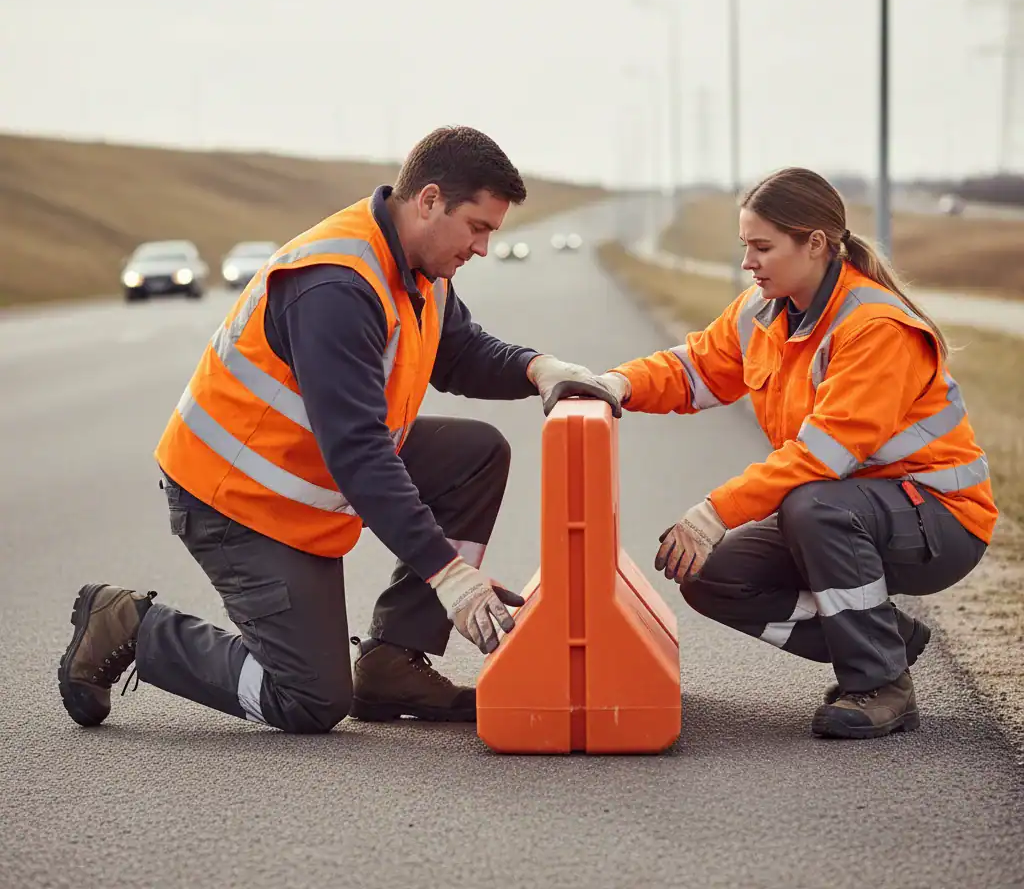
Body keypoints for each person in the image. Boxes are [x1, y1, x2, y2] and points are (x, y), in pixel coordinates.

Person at [57, 125, 619, 734]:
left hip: (306, 476)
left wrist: (540, 369)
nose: (482, 247)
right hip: (237, 500)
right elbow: (357, 452)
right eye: (478, 228)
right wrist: (449, 575)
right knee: (308, 699)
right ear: (429, 201)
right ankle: (130, 626)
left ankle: (393, 662)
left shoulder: (417, 265)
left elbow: (458, 351)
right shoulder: (337, 285)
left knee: (474, 455)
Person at [569, 166, 997, 740]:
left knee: (813, 505)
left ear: (815, 244)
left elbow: (822, 457)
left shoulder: (875, 328)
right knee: (713, 575)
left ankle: (880, 684)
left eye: (763, 247)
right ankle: (883, 638)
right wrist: (616, 383)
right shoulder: (761, 312)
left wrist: (711, 513)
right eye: (746, 245)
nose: (748, 261)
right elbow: (693, 369)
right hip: (847, 508)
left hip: (940, 520)